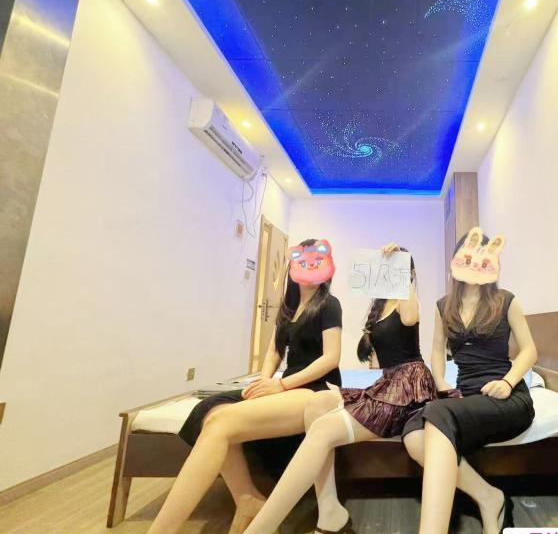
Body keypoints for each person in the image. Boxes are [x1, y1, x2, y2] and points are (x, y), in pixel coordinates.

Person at [147, 238, 343, 534]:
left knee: (222, 421)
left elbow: (331, 358)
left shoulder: (329, 304)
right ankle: (246, 498)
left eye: (316, 261)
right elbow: (274, 351)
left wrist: (281, 385)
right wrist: (264, 381)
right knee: (211, 411)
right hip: (286, 385)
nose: (310, 266)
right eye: (303, 260)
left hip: (315, 388)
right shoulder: (289, 307)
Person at [243, 243, 437, 534]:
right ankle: (330, 511)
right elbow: (376, 357)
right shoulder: (379, 306)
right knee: (318, 402)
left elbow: (409, 319)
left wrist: (401, 265)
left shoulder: (406, 300)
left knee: (323, 428)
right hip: (388, 384)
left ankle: (259, 530)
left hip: (411, 385)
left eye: (396, 267)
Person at [402, 228, 537, 534]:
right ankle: (489, 497)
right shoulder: (443, 306)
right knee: (412, 431)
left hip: (508, 398)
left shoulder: (505, 301)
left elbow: (529, 350)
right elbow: (437, 349)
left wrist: (508, 381)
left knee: (437, 413)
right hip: (468, 399)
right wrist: (439, 380)